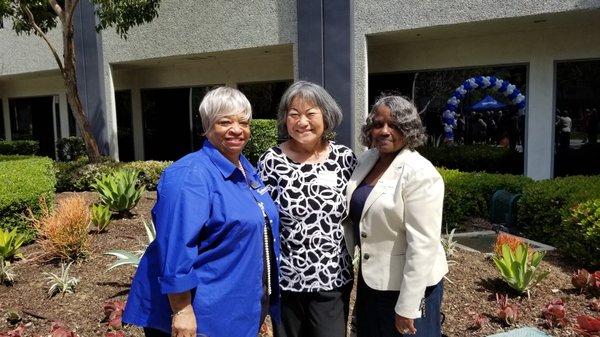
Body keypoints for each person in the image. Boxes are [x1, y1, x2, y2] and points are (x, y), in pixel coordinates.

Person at [122, 87, 280, 337]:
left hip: (235, 306)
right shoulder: (191, 175)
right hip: (202, 315)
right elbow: (176, 246)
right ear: (207, 126)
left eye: (243, 122)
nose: (237, 129)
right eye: (225, 121)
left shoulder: (246, 171)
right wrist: (182, 310)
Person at [257, 81, 357, 337]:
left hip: (332, 278)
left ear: (326, 116)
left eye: (310, 113)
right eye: (294, 114)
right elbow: (260, 218)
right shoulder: (271, 161)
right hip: (286, 280)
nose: (302, 122)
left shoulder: (344, 159)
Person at [347, 95, 448, 337]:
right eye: (378, 124)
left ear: (409, 129)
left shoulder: (420, 174)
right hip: (372, 281)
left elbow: (423, 245)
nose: (384, 131)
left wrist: (408, 306)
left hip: (409, 286)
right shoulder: (367, 160)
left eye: (394, 125)